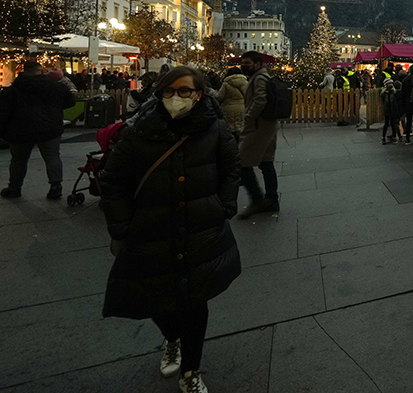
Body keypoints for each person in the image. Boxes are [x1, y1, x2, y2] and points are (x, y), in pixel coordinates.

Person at [99, 65, 240, 393]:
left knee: (195, 301)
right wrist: (122, 225)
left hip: (200, 228)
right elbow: (114, 179)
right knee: (153, 296)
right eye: (169, 91)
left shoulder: (215, 129)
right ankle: (172, 337)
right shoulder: (140, 129)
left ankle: (190, 370)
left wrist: (225, 205)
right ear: (159, 93)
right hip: (152, 229)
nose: (176, 97)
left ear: (198, 94)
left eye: (184, 91)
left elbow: (231, 168)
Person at [0, 61, 75, 200]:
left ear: (23, 71)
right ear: (41, 71)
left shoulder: (12, 90)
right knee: (52, 156)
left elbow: (4, 112)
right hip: (50, 127)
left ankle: (14, 188)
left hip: (21, 129)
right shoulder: (56, 87)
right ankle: (56, 186)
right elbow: (70, 101)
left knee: (18, 160)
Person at [237, 51, 280, 219]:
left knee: (243, 163)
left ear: (258, 64)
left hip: (258, 127)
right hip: (266, 126)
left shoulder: (259, 78)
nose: (244, 66)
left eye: (247, 63)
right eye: (243, 63)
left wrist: (248, 116)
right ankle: (271, 200)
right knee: (266, 163)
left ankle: (257, 200)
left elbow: (260, 100)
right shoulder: (261, 76)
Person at [217, 67, 248, 140]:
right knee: (240, 126)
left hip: (228, 108)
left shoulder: (226, 83)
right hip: (242, 108)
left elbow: (219, 97)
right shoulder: (245, 83)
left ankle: (232, 142)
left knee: (230, 129)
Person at [381, 79, 401, 144]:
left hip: (392, 110)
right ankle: (384, 137)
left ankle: (394, 136)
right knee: (387, 123)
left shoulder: (394, 93)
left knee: (393, 123)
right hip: (388, 110)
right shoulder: (385, 94)